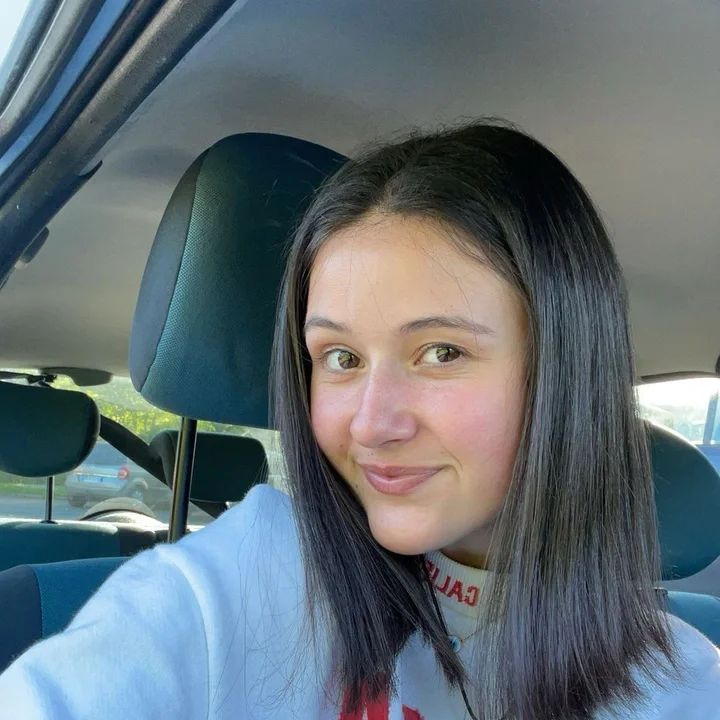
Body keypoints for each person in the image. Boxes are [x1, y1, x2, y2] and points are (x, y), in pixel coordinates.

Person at [1, 121, 718, 720]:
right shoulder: (251, 578)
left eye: (441, 352)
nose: (371, 425)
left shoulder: (686, 687)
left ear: (565, 371)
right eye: (340, 357)